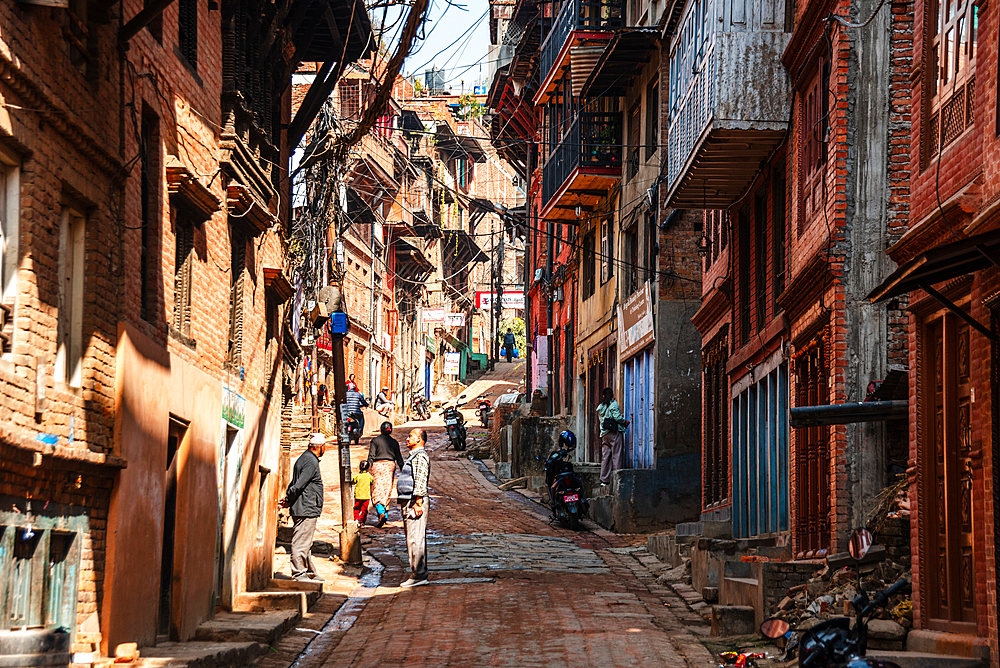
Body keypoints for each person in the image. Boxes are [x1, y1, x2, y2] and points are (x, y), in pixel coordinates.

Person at [281, 432, 326, 581]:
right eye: (324, 446)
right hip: (306, 507)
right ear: (320, 447)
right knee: (301, 542)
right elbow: (298, 485)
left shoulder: (305, 459)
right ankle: (299, 573)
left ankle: (309, 572)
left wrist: (289, 498)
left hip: (305, 506)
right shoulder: (310, 461)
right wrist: (288, 499)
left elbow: (294, 484)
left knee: (306, 541)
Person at [397, 428, 430, 587]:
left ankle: (418, 575)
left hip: (414, 501)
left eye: (410, 436)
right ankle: (418, 573)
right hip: (409, 500)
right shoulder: (415, 456)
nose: (407, 439)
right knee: (413, 538)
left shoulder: (420, 457)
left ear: (419, 439)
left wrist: (418, 502)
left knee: (414, 539)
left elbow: (420, 480)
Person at [366, 421, 405, 527]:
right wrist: (404, 470)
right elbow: (399, 458)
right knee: (387, 490)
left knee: (376, 490)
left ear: (381, 429)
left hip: (377, 466)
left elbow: (371, 456)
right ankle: (385, 516)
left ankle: (381, 512)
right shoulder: (394, 442)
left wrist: (366, 469)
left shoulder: (375, 441)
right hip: (390, 467)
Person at [596, 388, 628, 487]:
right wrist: (625, 422)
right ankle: (617, 478)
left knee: (605, 457)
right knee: (616, 455)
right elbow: (617, 417)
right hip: (614, 433)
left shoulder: (600, 407)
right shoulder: (613, 404)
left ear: (603, 396)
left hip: (604, 434)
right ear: (612, 395)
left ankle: (604, 480)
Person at [352, 460, 374, 524]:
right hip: (366, 496)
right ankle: (362, 521)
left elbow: (353, 481)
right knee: (364, 510)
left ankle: (356, 519)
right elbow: (372, 482)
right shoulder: (369, 476)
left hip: (358, 495)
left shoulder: (358, 476)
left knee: (356, 508)